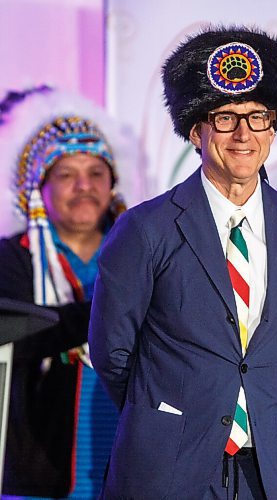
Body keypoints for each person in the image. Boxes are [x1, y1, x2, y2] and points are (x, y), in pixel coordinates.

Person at [89, 25, 277, 499]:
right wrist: (168, 412)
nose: (243, 134)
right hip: (167, 465)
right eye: (224, 117)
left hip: (267, 467)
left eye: (258, 117)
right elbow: (111, 355)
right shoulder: (145, 228)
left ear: (273, 127)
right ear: (196, 131)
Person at [0, 86, 136, 498]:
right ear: (36, 190)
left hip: (129, 465)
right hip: (38, 470)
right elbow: (17, 336)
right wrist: (107, 312)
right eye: (66, 174)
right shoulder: (12, 258)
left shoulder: (143, 254)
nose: (84, 186)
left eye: (96, 172)